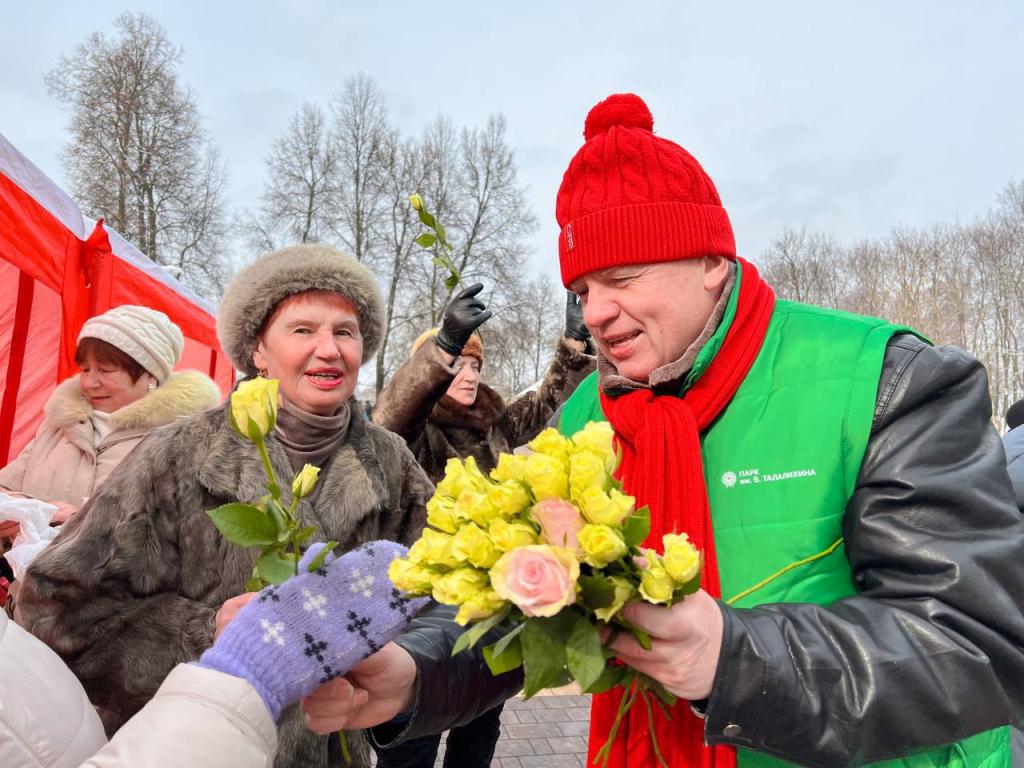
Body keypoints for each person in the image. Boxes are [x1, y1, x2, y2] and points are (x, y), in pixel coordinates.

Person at [294, 93, 1024, 768]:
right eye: (583, 289)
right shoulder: (585, 417)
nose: (597, 312)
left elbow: (977, 645)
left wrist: (732, 657)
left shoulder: (885, 380)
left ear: (711, 261)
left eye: (625, 276)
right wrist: (413, 672)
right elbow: (526, 606)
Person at [15, 244, 433, 768]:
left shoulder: (390, 463)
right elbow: (51, 610)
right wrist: (205, 631)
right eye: (303, 330)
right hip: (188, 749)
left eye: (345, 331)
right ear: (258, 350)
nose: (329, 349)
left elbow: (442, 594)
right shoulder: (179, 453)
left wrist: (390, 662)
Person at [370, 285, 594, 768]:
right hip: (423, 607)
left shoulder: (495, 424)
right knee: (415, 736)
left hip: (489, 600)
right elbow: (388, 420)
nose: (469, 375)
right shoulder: (415, 432)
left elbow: (550, 403)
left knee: (480, 725)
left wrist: (574, 347)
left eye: (475, 365)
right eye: (458, 365)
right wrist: (445, 345)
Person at [1, 540, 427, 768]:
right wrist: (227, 654)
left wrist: (415, 674)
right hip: (197, 731)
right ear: (258, 368)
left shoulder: (389, 455)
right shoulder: (169, 454)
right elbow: (63, 611)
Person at [0, 305, 219, 584]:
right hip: (27, 603)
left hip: (108, 618)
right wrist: (10, 509)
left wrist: (80, 519)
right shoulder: (60, 424)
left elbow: (180, 544)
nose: (90, 382)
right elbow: (9, 484)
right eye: (85, 369)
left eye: (105, 370)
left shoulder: (181, 443)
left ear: (150, 376)